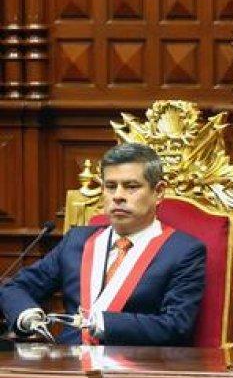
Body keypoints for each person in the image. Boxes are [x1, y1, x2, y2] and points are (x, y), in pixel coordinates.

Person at [0, 143, 206, 345]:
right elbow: (15, 287)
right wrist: (26, 316)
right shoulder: (77, 240)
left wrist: (100, 323)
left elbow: (176, 325)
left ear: (159, 191)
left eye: (131, 187)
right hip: (67, 367)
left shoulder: (183, 251)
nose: (118, 196)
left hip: (133, 369)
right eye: (110, 186)